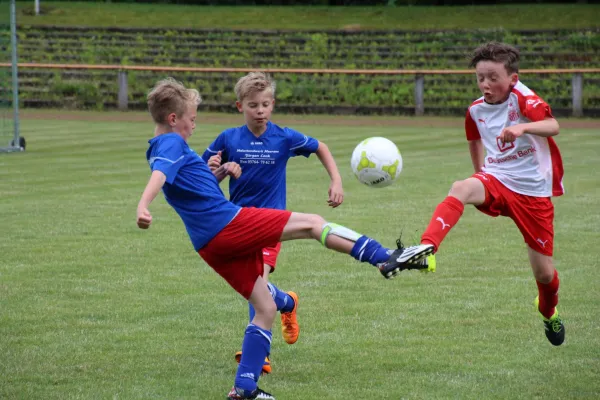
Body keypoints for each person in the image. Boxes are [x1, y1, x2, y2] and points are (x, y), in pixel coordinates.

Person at [136, 77, 433, 400]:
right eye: (192, 119)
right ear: (173, 119)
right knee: (312, 224)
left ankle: (244, 388)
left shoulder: (161, 146)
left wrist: (220, 173)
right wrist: (143, 204)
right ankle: (384, 256)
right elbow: (160, 176)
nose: (195, 126)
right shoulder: (171, 143)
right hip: (228, 223)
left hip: (209, 244)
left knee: (263, 305)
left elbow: (192, 184)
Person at [397, 42, 565, 346]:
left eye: (493, 78)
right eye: (480, 78)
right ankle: (426, 250)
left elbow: (553, 125)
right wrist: (480, 174)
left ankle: (549, 312)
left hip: (533, 192)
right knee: (460, 187)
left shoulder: (524, 99)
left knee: (543, 274)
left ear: (512, 78)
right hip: (497, 177)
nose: (486, 85)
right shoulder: (475, 109)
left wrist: (523, 130)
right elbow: (473, 139)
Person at [201, 72, 344, 375]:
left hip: (271, 225)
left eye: (266, 104)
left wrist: (336, 180)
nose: (261, 111)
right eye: (253, 105)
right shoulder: (227, 139)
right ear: (239, 106)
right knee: (255, 286)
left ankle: (258, 354)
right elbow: (204, 178)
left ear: (273, 104)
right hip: (237, 224)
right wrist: (218, 168)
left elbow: (321, 147)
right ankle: (287, 303)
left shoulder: (283, 137)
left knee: (257, 280)